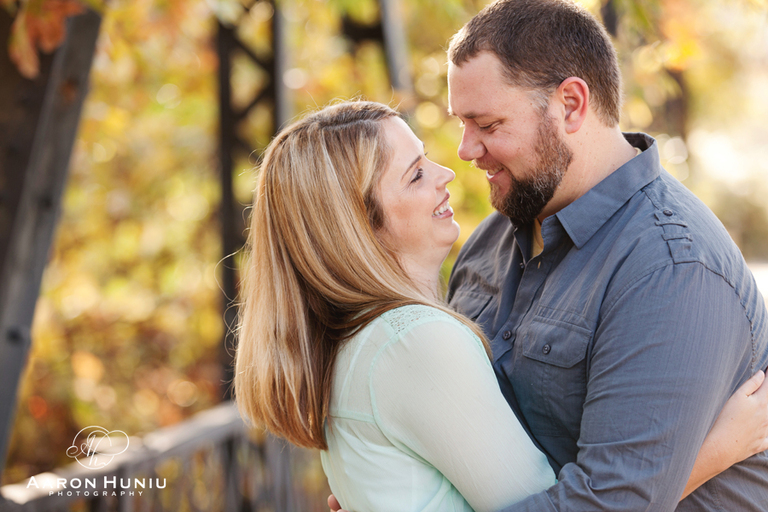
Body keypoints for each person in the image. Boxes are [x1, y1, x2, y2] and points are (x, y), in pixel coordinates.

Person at [232, 101, 768, 512]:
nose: (447, 171)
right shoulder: (413, 340)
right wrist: (713, 452)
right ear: (357, 226)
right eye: (415, 173)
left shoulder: (363, 336)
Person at [440, 0, 768, 509]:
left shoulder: (670, 270)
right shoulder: (490, 240)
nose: (465, 149)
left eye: (487, 124)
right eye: (462, 122)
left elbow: (610, 502)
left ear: (571, 105)